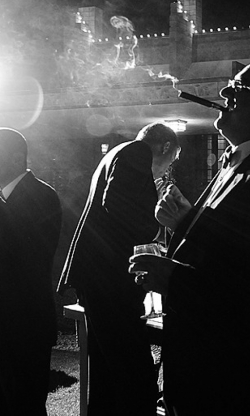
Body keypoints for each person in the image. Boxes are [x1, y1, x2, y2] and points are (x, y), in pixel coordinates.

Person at [129, 55, 250, 416]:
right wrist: (187, 224)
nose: (226, 90)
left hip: (223, 364)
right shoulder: (240, 161)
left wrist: (176, 275)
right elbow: (231, 248)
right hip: (198, 355)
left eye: (239, 88)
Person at [57, 122, 179, 416]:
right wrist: (158, 216)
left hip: (97, 274)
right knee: (133, 372)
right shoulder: (137, 153)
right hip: (108, 278)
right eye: (171, 161)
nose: (165, 172)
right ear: (164, 147)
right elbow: (120, 206)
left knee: (106, 369)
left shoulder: (117, 153)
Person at [0, 128, 62, 416]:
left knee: (23, 406)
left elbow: (24, 253)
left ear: (16, 157)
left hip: (23, 327)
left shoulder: (41, 195)